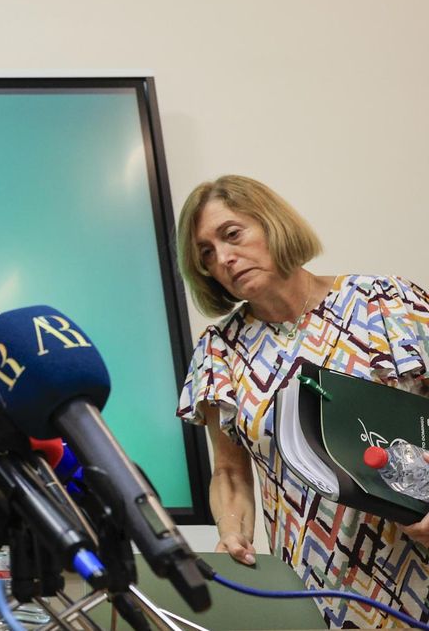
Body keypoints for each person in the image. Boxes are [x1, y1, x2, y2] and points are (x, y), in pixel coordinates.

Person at [174, 174, 429, 627]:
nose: (225, 259)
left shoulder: (386, 302)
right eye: (207, 255)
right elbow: (229, 472)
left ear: (272, 223)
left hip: (418, 563)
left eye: (232, 235)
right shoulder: (219, 350)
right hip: (314, 589)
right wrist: (232, 532)